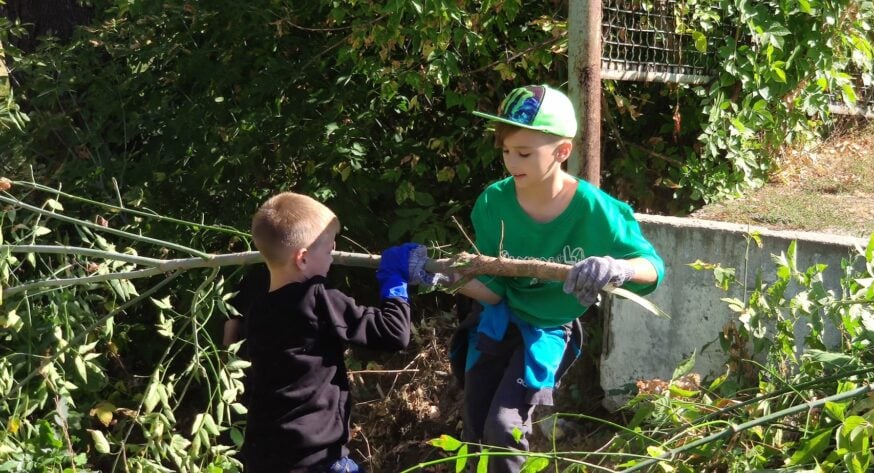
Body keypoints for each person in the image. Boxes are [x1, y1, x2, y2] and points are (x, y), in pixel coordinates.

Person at [439, 84, 665, 472]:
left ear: (562, 152)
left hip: (547, 331)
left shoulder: (596, 210)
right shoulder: (494, 203)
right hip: (497, 324)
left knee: (503, 426)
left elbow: (653, 269)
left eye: (524, 153)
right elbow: (493, 292)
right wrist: (448, 277)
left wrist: (619, 268)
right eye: (507, 151)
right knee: (475, 422)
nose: (512, 162)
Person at [242, 191, 426, 473]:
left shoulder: (258, 311)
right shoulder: (316, 298)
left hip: (263, 457)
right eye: (328, 251)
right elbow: (393, 333)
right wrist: (394, 282)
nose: (332, 259)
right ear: (302, 259)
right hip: (317, 459)